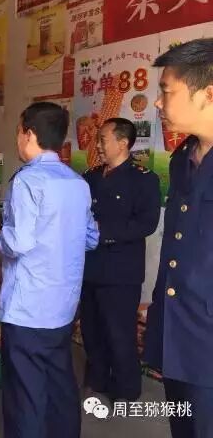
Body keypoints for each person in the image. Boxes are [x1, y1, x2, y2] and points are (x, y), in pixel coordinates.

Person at [0, 102, 99, 438]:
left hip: (28, 307)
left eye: (18, 132)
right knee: (59, 383)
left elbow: (18, 243)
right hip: (63, 305)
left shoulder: (27, 181)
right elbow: (92, 238)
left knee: (25, 393)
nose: (17, 139)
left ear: (30, 134)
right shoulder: (77, 182)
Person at [145, 38, 213, 438]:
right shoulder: (182, 159)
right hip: (177, 332)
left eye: (167, 91)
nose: (157, 102)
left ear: (208, 94)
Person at [81, 117, 161, 402]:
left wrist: (103, 232)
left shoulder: (143, 179)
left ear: (123, 143)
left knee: (119, 333)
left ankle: (126, 389)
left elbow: (147, 223)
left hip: (120, 271)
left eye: (103, 140)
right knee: (91, 330)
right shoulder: (91, 177)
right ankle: (98, 380)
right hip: (89, 267)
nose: (98, 145)